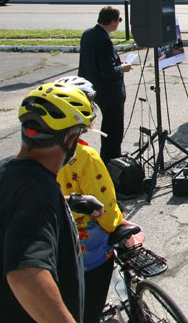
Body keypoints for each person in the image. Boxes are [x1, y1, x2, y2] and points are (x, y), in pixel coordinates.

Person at [0, 81, 94, 321]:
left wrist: (69, 202)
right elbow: (25, 275)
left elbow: (5, 215)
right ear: (70, 140)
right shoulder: (40, 194)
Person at [54, 76, 142, 323]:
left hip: (55, 235)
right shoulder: (86, 156)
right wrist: (120, 227)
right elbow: (103, 204)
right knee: (91, 297)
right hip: (86, 240)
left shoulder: (43, 151)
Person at [79, 5, 132, 164]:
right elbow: (108, 71)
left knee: (108, 127)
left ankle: (109, 159)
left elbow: (94, 63)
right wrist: (123, 68)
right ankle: (112, 162)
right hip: (109, 92)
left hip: (93, 87)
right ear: (112, 21)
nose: (119, 23)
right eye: (119, 20)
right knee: (113, 130)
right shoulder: (104, 40)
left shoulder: (88, 34)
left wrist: (116, 62)